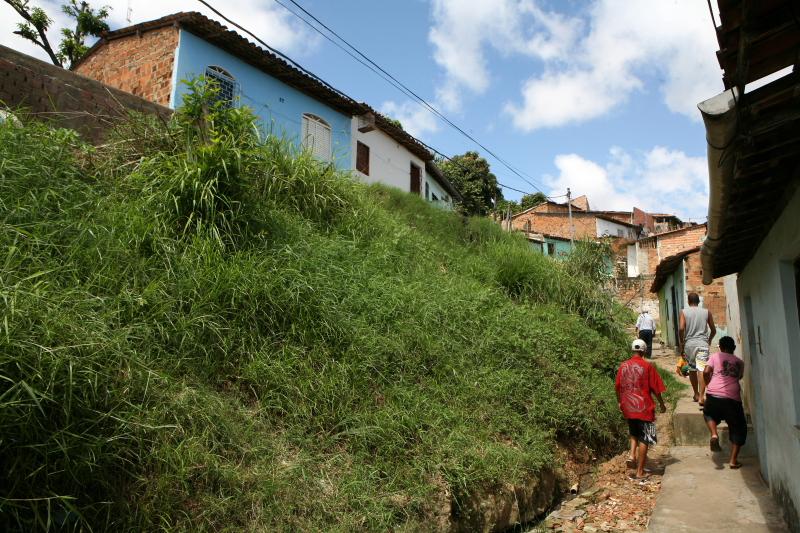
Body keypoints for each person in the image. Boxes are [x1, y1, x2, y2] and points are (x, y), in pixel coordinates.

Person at [615, 339, 667, 480]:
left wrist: (620, 402)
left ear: (632, 350)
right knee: (645, 438)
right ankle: (640, 471)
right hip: (644, 408)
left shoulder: (623, 366)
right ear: (644, 351)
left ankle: (632, 455)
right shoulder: (647, 366)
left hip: (628, 406)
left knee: (634, 432)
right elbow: (656, 389)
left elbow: (617, 386)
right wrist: (662, 404)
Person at [703, 336, 747, 468]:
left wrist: (708, 384)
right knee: (738, 427)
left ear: (720, 347)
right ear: (734, 348)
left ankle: (714, 434)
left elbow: (706, 371)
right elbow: (739, 376)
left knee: (709, 414)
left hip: (713, 394)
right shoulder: (740, 362)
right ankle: (733, 461)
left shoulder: (715, 356)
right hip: (732, 398)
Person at [678, 292, 716, 404]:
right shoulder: (706, 312)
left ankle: (696, 394)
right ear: (699, 302)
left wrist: (682, 343)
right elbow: (713, 330)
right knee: (701, 368)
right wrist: (709, 339)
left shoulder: (684, 312)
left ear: (688, 301)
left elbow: (681, 328)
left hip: (689, 344)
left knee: (692, 369)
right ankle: (702, 397)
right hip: (702, 343)